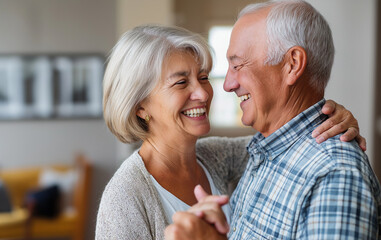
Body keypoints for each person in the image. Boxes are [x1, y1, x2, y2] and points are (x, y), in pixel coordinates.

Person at [95, 24, 364, 240]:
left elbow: (287, 140)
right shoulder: (124, 197)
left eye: (202, 77)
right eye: (180, 83)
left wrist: (329, 115)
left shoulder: (217, 156)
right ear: (140, 107)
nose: (202, 93)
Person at [165, 1, 381, 239]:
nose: (227, 84)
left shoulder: (334, 175)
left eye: (237, 65)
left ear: (292, 64)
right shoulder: (265, 151)